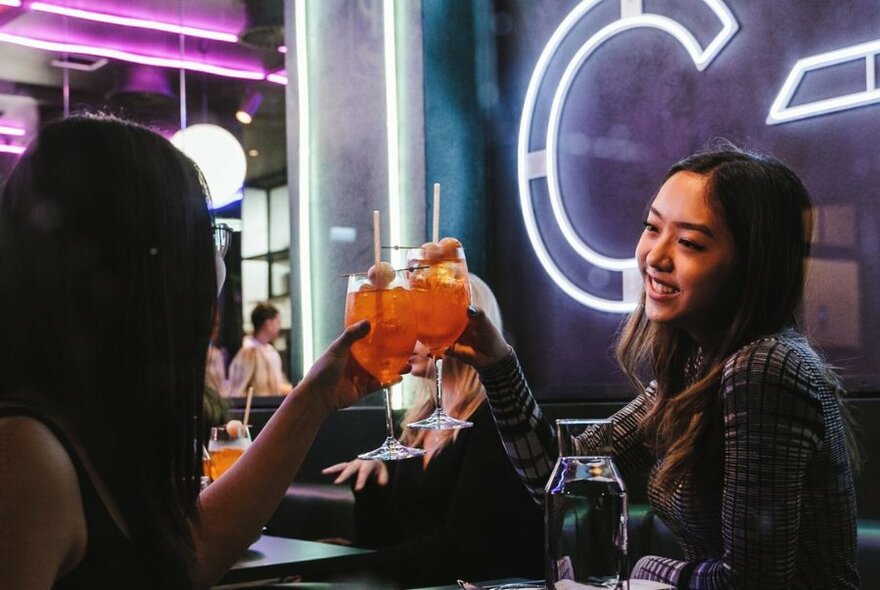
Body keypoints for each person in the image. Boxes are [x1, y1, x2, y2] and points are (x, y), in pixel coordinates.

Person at [449, 146, 860, 589]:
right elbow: (560, 471)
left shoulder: (764, 367)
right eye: (652, 228)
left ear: (753, 265)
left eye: (689, 242)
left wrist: (647, 570)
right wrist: (497, 363)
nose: (655, 257)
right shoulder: (697, 369)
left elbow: (752, 581)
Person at [0, 114, 381, 589]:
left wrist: (315, 398)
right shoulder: (24, 456)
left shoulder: (92, 419)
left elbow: (184, 559)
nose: (213, 260)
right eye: (200, 232)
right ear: (141, 257)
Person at [322, 275, 544, 588]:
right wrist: (371, 487)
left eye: (418, 325)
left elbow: (464, 552)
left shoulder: (494, 423)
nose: (404, 338)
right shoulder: (416, 423)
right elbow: (391, 540)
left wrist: (341, 566)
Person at [227, 302, 294, 397]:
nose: (279, 327)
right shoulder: (247, 351)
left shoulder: (270, 350)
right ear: (268, 324)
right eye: (278, 322)